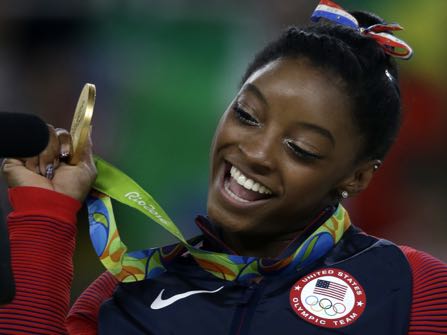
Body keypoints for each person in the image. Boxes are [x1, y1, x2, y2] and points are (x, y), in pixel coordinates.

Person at [1, 1, 447, 334]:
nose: (255, 152)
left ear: (359, 176)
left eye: (300, 148)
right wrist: (46, 216)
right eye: (247, 116)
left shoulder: (413, 292)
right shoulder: (124, 296)